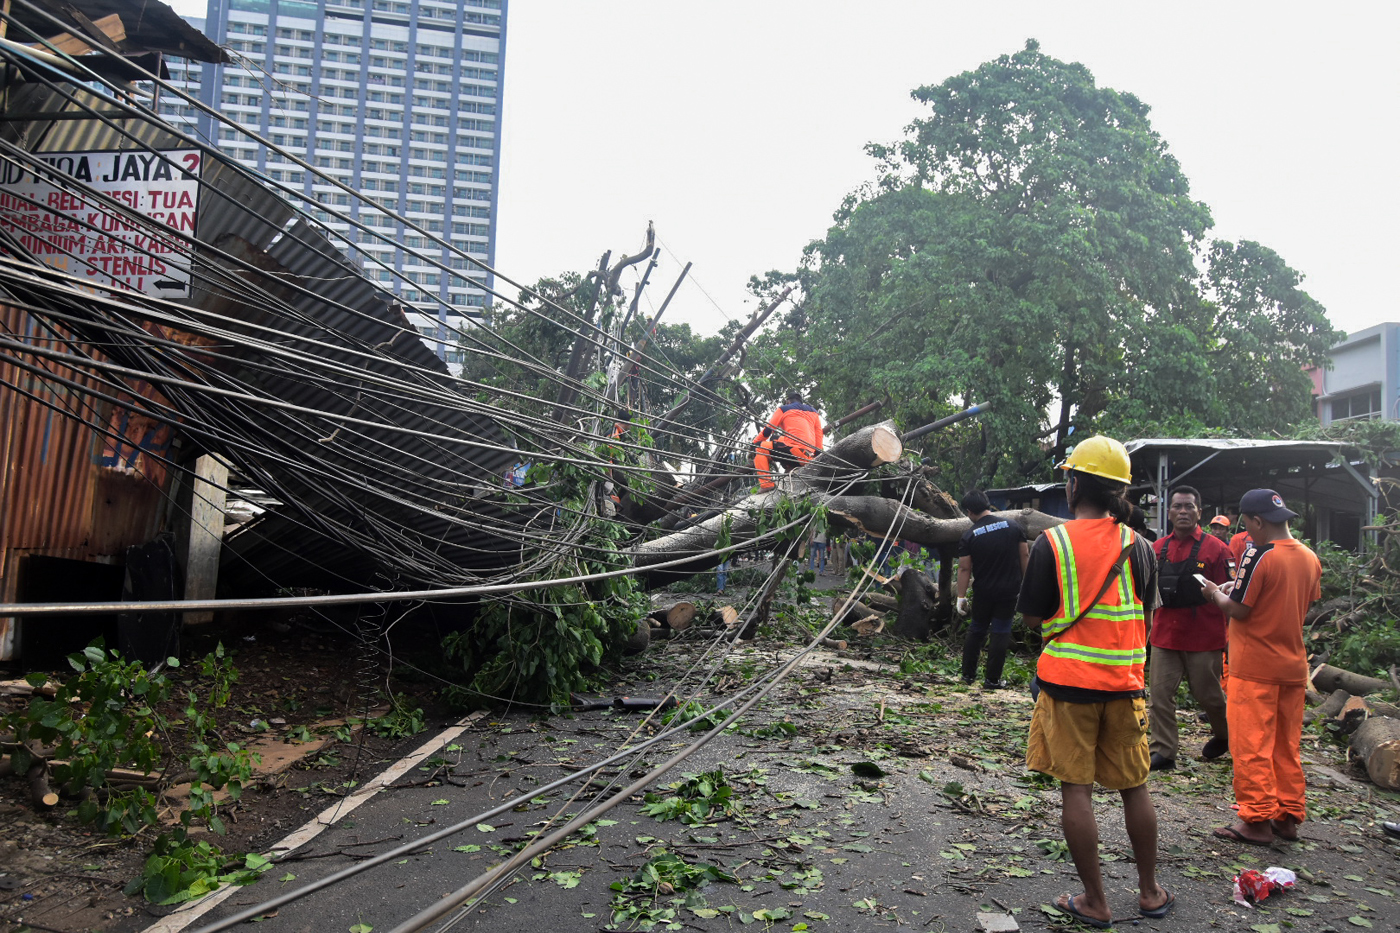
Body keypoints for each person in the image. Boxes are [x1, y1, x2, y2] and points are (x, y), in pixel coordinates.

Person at [1017, 435, 1171, 926]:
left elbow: (1031, 618)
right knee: (1136, 788)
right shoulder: (1141, 547)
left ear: (1074, 483)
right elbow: (1146, 615)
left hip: (1067, 687)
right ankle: (1149, 893)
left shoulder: (1053, 542)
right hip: (1126, 685)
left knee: (1076, 792)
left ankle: (1095, 902)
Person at [1203, 489, 1321, 846]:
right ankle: (1287, 817)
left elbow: (1239, 609)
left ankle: (1255, 820)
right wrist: (1234, 588)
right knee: (1286, 746)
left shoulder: (1259, 554)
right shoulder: (1309, 557)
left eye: (1247, 524)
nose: (1246, 532)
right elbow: (1296, 601)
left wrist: (1213, 592)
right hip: (1292, 666)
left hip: (1254, 668)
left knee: (1251, 744)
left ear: (1256, 521)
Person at [1147, 486, 1233, 771]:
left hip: (1203, 636)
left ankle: (1226, 736)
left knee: (1209, 695)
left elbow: (1231, 595)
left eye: (1189, 507)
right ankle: (1163, 751)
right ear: (1168, 512)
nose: (1183, 512)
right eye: (1177, 507)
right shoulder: (1157, 549)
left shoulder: (1217, 549)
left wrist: (1231, 638)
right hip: (1164, 634)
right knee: (1159, 694)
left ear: (1200, 512)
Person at [955, 489, 1029, 689]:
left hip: (984, 592)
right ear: (987, 504)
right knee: (1001, 631)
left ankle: (968, 676)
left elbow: (964, 568)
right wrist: (1027, 584)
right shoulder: (1014, 526)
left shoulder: (969, 535)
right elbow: (1024, 556)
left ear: (969, 511)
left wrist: (960, 597)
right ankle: (992, 680)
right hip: (1009, 591)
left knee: (977, 630)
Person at [760, 392, 824, 469]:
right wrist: (816, 457)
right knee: (775, 438)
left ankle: (767, 481)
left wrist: (753, 444)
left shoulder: (783, 409)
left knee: (759, 447)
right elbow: (819, 438)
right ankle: (790, 466)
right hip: (810, 456)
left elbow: (768, 430)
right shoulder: (814, 413)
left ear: (788, 402)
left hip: (796, 452)